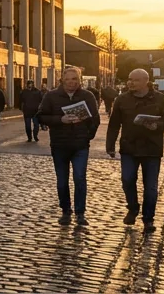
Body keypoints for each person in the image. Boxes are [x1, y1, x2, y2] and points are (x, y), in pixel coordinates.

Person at [107, 68, 164, 233]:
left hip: (152, 149)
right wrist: (110, 145)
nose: (131, 82)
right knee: (127, 180)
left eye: (135, 80)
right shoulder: (122, 100)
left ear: (146, 81)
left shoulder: (160, 99)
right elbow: (114, 124)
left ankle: (148, 219)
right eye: (129, 79)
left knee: (150, 187)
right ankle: (132, 208)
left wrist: (157, 125)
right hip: (129, 148)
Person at [38, 66, 100, 226]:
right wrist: (60, 120)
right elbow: (41, 117)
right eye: (68, 79)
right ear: (62, 80)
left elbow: (95, 119)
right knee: (62, 180)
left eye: (75, 79)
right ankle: (66, 210)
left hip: (80, 145)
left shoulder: (88, 96)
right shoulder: (51, 96)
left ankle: (80, 213)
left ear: (80, 80)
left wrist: (87, 134)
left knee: (79, 178)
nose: (71, 82)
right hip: (60, 144)